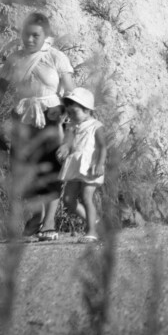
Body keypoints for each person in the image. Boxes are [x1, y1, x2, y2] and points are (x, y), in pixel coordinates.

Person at [0, 12, 76, 237]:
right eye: (26, 34)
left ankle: (49, 222)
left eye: (36, 35)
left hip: (53, 116)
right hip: (23, 116)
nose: (30, 39)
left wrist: (72, 120)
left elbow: (70, 91)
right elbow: (0, 88)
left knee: (52, 168)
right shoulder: (15, 58)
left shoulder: (56, 57)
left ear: (46, 36)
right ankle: (37, 215)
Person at [57, 87, 107, 243]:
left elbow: (102, 147)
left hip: (90, 166)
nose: (71, 116)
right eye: (69, 113)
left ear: (87, 110)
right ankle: (95, 221)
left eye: (74, 112)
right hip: (75, 166)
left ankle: (91, 231)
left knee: (86, 197)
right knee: (68, 199)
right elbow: (68, 142)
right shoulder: (71, 126)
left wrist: (100, 163)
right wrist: (64, 148)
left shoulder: (96, 126)